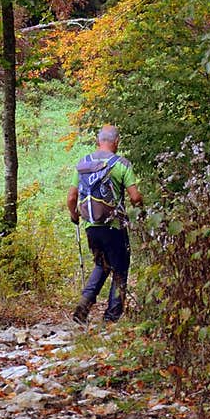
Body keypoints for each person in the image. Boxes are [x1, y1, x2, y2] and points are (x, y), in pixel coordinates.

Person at [66, 124, 144, 325]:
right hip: (114, 225)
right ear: (116, 142)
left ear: (98, 141)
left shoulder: (83, 163)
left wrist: (74, 215)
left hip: (91, 225)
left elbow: (71, 197)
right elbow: (135, 196)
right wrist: (141, 209)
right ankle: (112, 317)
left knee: (102, 264)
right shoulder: (121, 164)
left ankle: (83, 305)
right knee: (120, 267)